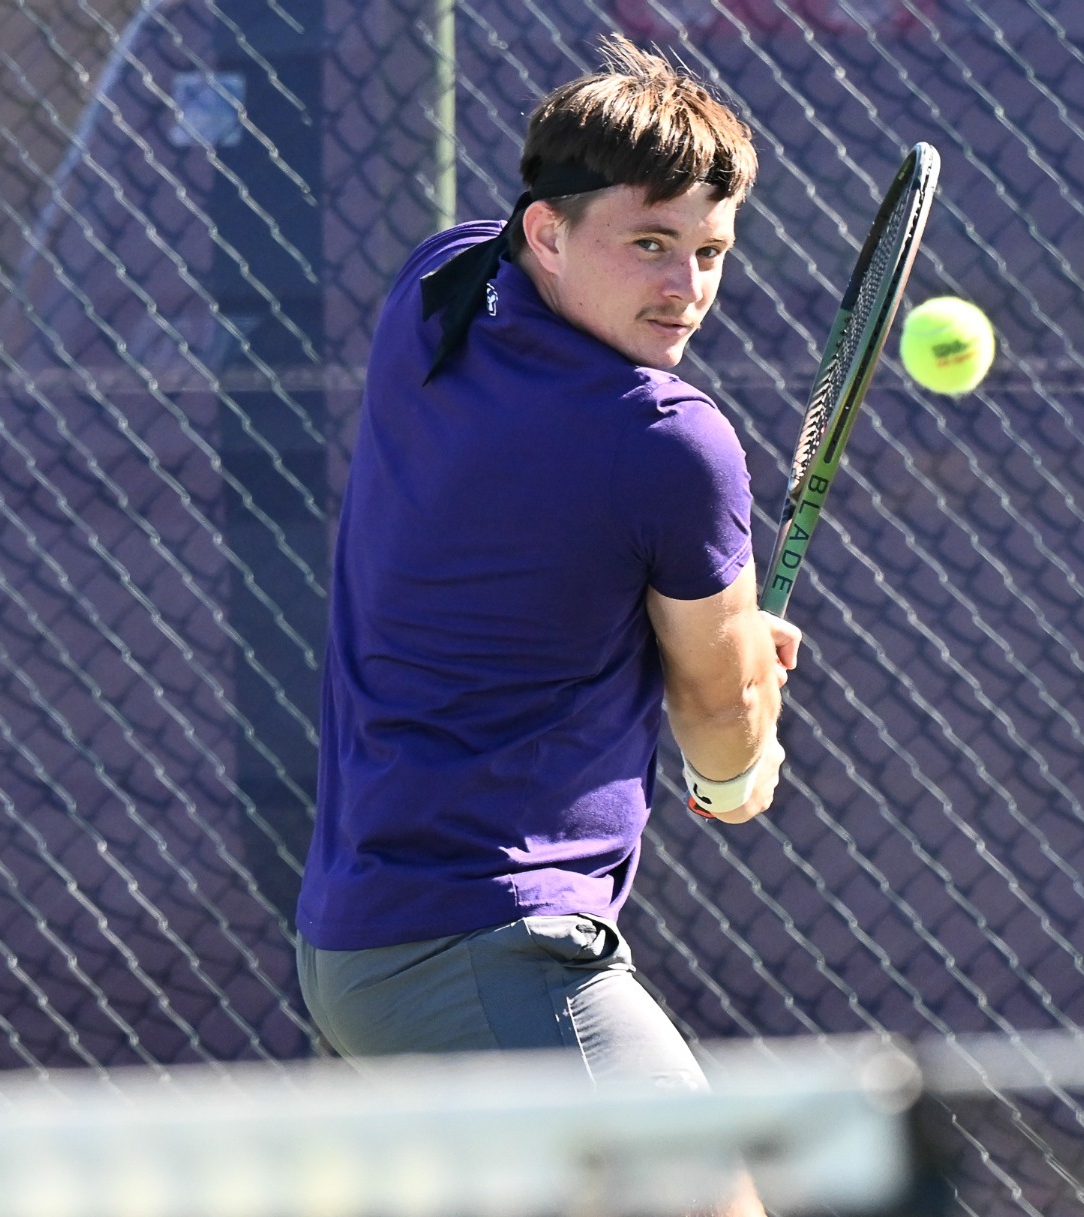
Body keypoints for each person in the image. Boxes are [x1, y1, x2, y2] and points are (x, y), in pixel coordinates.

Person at [295, 34, 798, 1102]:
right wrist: (739, 757)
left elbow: (544, 568)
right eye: (650, 243)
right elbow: (721, 721)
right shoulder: (667, 440)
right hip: (486, 946)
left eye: (710, 250)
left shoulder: (436, 289)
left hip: (356, 942)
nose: (686, 287)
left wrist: (714, 645)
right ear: (547, 232)